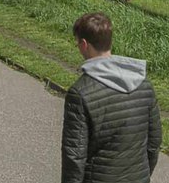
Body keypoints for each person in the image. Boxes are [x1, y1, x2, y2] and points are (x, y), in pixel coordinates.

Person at [61, 12, 161, 183]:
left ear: (84, 44)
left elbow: (74, 156)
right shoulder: (144, 85)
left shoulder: (80, 93)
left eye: (77, 43)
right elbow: (153, 144)